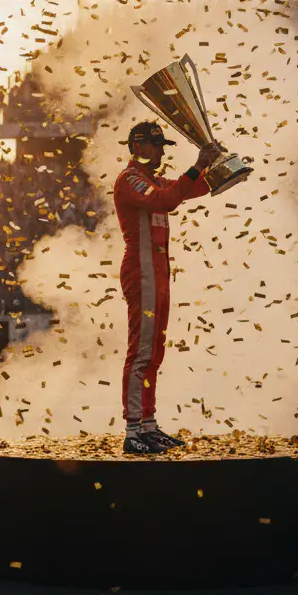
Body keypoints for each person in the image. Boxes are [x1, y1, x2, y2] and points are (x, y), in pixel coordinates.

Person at [113, 121, 222, 455]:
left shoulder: (150, 180)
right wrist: (200, 164)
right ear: (140, 147)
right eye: (158, 146)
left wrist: (223, 171)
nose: (161, 153)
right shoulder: (130, 180)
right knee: (142, 351)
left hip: (157, 273)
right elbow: (167, 200)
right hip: (142, 271)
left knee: (155, 351)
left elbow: (186, 190)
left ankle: (148, 424)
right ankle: (133, 429)